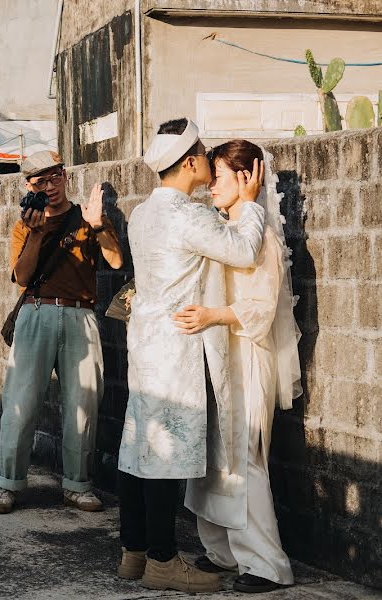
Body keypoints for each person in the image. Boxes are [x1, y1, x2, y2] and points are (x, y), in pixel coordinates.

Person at [117, 118, 266, 593]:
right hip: (179, 345)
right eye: (202, 153)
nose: (206, 159)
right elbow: (244, 251)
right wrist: (249, 203)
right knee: (165, 456)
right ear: (190, 162)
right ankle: (163, 560)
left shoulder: (141, 214)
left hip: (145, 344)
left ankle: (134, 553)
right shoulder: (189, 215)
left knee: (140, 447)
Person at [173, 140, 300, 594]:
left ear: (247, 179)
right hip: (216, 352)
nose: (210, 188)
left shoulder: (260, 234)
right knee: (212, 457)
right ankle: (222, 552)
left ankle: (267, 565)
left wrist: (212, 315)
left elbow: (262, 309)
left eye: (220, 178)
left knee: (244, 457)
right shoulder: (224, 228)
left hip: (246, 353)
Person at [0, 151, 123, 515]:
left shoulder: (85, 217)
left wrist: (97, 224)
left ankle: (78, 485)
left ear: (65, 176)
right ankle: (8, 484)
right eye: (40, 182)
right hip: (36, 310)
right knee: (20, 403)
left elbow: (115, 261)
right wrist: (34, 233)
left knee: (84, 403)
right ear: (28, 186)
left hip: (80, 314)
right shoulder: (24, 226)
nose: (50, 187)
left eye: (55, 178)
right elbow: (23, 277)